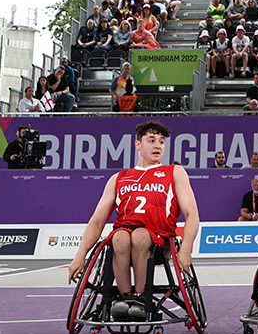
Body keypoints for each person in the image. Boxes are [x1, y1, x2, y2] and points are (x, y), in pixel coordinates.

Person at [68, 121, 200, 320]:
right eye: (152, 140)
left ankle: (140, 297)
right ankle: (125, 298)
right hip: (124, 236)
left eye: (162, 142)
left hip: (159, 239)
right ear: (137, 144)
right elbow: (96, 222)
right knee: (119, 237)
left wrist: (186, 248)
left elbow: (192, 214)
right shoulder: (118, 178)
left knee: (139, 235)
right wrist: (80, 255)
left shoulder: (173, 172)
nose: (158, 146)